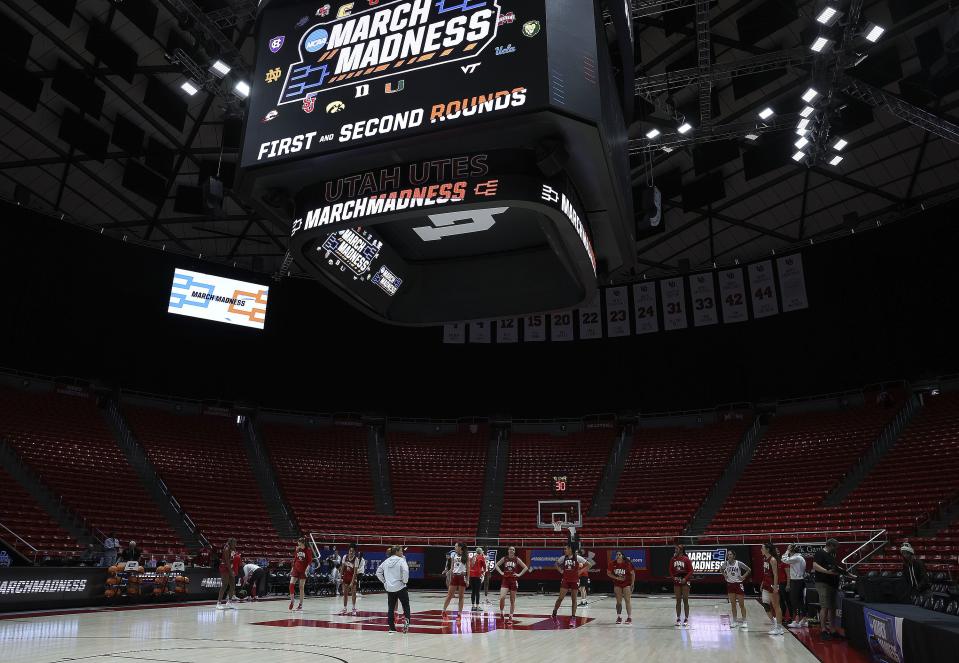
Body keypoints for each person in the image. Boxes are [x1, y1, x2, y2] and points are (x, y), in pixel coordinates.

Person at [813, 538, 848, 641]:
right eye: (836, 547)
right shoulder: (820, 553)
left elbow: (835, 567)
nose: (837, 550)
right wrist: (827, 572)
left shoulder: (831, 555)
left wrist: (845, 573)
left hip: (833, 584)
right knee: (825, 606)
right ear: (830, 545)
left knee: (832, 607)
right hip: (823, 583)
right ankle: (823, 630)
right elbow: (815, 565)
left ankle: (832, 630)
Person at [552, 545, 593, 627]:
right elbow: (556, 564)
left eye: (566, 549)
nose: (564, 550)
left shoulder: (578, 557)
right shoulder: (563, 558)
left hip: (574, 580)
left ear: (571, 549)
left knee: (574, 599)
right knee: (560, 598)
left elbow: (589, 565)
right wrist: (560, 570)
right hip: (566, 580)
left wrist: (581, 571)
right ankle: (554, 613)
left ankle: (573, 618)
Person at [376, 546, 411, 634]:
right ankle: (406, 622)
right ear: (397, 552)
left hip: (390, 588)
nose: (402, 552)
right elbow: (406, 571)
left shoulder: (386, 561)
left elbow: (378, 572)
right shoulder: (401, 560)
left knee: (391, 608)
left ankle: (391, 628)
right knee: (406, 605)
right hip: (400, 586)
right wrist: (405, 581)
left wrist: (384, 582)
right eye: (401, 551)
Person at [494, 546, 528, 622]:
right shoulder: (504, 558)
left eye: (513, 549)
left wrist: (519, 574)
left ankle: (510, 616)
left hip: (513, 580)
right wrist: (501, 572)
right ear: (508, 551)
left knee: (512, 600)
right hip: (505, 580)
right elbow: (496, 565)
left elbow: (525, 567)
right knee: (502, 597)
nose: (511, 550)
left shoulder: (517, 559)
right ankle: (502, 612)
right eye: (510, 549)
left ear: (514, 551)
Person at [722, 549, 751, 630]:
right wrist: (725, 575)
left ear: (734, 556)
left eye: (730, 554)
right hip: (730, 585)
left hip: (738, 584)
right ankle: (734, 621)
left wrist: (743, 577)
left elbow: (749, 569)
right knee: (733, 604)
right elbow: (721, 569)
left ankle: (744, 621)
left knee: (741, 604)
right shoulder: (726, 563)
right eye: (728, 555)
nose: (729, 556)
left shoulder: (739, 563)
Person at [760, 543, 785, 636]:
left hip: (772, 585)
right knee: (765, 604)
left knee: (776, 606)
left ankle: (779, 628)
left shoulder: (773, 559)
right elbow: (765, 573)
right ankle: (775, 623)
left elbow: (775, 574)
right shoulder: (764, 559)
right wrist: (762, 583)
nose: (761, 550)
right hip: (766, 584)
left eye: (762, 548)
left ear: (767, 549)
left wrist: (775, 586)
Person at [782, 544, 809, 627]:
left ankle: (797, 621)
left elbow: (784, 559)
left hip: (796, 581)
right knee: (800, 601)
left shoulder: (796, 558)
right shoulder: (800, 558)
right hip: (799, 581)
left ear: (792, 550)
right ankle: (803, 619)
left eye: (789, 549)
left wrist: (787, 551)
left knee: (794, 601)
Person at [606, 551, 635, 624]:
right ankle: (619, 617)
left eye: (619, 554)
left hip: (626, 584)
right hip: (617, 584)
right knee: (618, 602)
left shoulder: (627, 563)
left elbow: (633, 574)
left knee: (627, 600)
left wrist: (632, 584)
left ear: (622, 556)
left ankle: (629, 617)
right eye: (617, 554)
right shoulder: (612, 564)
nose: (618, 556)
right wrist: (616, 578)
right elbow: (608, 573)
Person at [669, 543, 693, 627]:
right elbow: (671, 571)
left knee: (685, 599)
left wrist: (685, 579)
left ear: (681, 550)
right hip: (677, 581)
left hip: (685, 581)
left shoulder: (686, 559)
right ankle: (678, 618)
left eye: (677, 549)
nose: (675, 550)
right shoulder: (673, 559)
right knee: (678, 600)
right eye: (675, 549)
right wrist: (673, 578)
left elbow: (691, 571)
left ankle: (686, 618)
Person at [441, 543, 468, 614]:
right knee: (449, 595)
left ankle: (459, 613)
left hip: (462, 577)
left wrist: (467, 580)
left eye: (456, 546)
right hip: (455, 576)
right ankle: (443, 610)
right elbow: (452, 568)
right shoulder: (454, 556)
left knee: (461, 596)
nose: (455, 547)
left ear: (460, 547)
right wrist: (449, 575)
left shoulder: (466, 556)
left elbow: (468, 569)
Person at [289, 537, 313, 611]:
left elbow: (310, 561)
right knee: (291, 584)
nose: (297, 543)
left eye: (299, 542)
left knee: (301, 587)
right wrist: (292, 568)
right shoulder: (297, 549)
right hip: (296, 568)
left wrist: (307, 569)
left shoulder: (308, 550)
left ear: (302, 542)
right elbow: (295, 559)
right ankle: (292, 600)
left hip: (303, 570)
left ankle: (300, 605)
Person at [340, 545, 364, 615]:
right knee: (345, 593)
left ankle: (353, 608)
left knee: (353, 593)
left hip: (352, 577)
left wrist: (352, 582)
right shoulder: (345, 557)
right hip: (345, 576)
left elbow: (355, 572)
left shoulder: (356, 559)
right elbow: (342, 568)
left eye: (352, 551)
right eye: (350, 551)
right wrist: (341, 577)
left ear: (354, 552)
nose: (351, 552)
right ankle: (345, 608)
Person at [215, 538, 237, 610]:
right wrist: (231, 571)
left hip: (230, 567)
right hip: (224, 567)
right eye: (234, 543)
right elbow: (227, 561)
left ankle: (229, 602)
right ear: (231, 543)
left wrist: (232, 569)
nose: (236, 544)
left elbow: (232, 560)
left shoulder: (233, 549)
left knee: (233, 585)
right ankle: (218, 603)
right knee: (224, 585)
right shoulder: (226, 549)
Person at [469, 546, 487, 611]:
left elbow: (470, 566)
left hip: (471, 576)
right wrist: (483, 573)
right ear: (481, 552)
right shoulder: (481, 557)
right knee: (477, 591)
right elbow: (484, 567)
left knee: (473, 591)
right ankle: (477, 606)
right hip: (477, 575)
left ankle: (473, 606)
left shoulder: (472, 557)